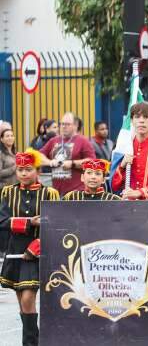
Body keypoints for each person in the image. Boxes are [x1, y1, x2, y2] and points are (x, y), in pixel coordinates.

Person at [0, 150, 60, 345]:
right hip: (15, 250)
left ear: (37, 170)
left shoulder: (49, 193)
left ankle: (31, 342)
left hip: (37, 251)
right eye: (20, 170)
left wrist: (36, 247)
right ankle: (32, 339)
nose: (23, 174)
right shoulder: (8, 192)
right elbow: (2, 221)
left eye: (28, 169)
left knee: (27, 298)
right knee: (22, 302)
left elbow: (55, 224)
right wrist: (29, 222)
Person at [39, 112, 96, 196]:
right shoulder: (54, 140)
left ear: (75, 125)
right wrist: (50, 162)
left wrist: (73, 163)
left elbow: (92, 162)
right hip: (57, 192)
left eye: (67, 124)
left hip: (77, 192)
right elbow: (38, 155)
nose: (63, 126)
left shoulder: (83, 141)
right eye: (62, 124)